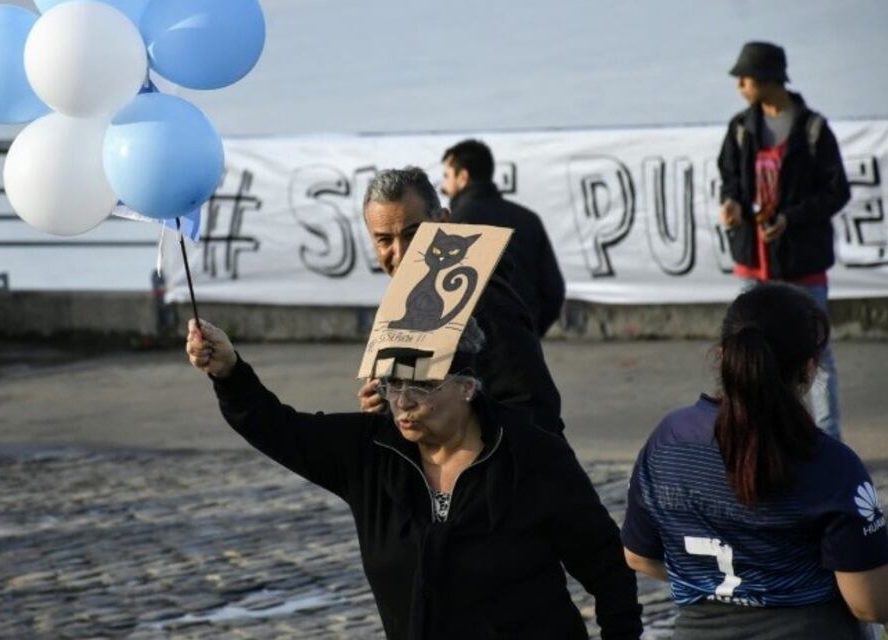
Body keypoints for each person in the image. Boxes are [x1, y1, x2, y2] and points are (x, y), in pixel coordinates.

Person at [188, 316, 643, 639]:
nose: (402, 403)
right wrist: (229, 371)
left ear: (467, 387)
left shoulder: (530, 453)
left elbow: (606, 566)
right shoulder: (371, 452)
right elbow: (278, 428)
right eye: (391, 385)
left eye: (421, 387)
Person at [622, 283, 888, 639]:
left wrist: (722, 585)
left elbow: (638, 555)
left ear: (723, 355)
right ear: (809, 369)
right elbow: (870, 604)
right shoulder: (832, 466)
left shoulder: (668, 441)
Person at [357, 166, 565, 434]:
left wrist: (457, 428)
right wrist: (383, 406)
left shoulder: (485, 301)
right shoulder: (401, 304)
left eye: (413, 234)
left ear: (444, 224)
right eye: (385, 240)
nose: (401, 253)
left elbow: (533, 409)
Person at [717, 41, 850, 440]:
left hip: (802, 262)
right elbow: (730, 181)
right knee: (749, 351)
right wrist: (731, 204)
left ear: (768, 79)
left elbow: (836, 192)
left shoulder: (813, 129)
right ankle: (756, 436)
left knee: (816, 354)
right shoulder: (740, 128)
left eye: (745, 78)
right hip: (752, 261)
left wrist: (791, 219)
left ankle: (828, 440)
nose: (740, 86)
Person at [441, 139, 565, 336]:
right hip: (522, 341)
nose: (443, 186)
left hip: (469, 347)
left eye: (446, 176)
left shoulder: (452, 225)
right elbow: (553, 291)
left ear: (463, 177)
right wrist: (530, 332)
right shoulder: (528, 220)